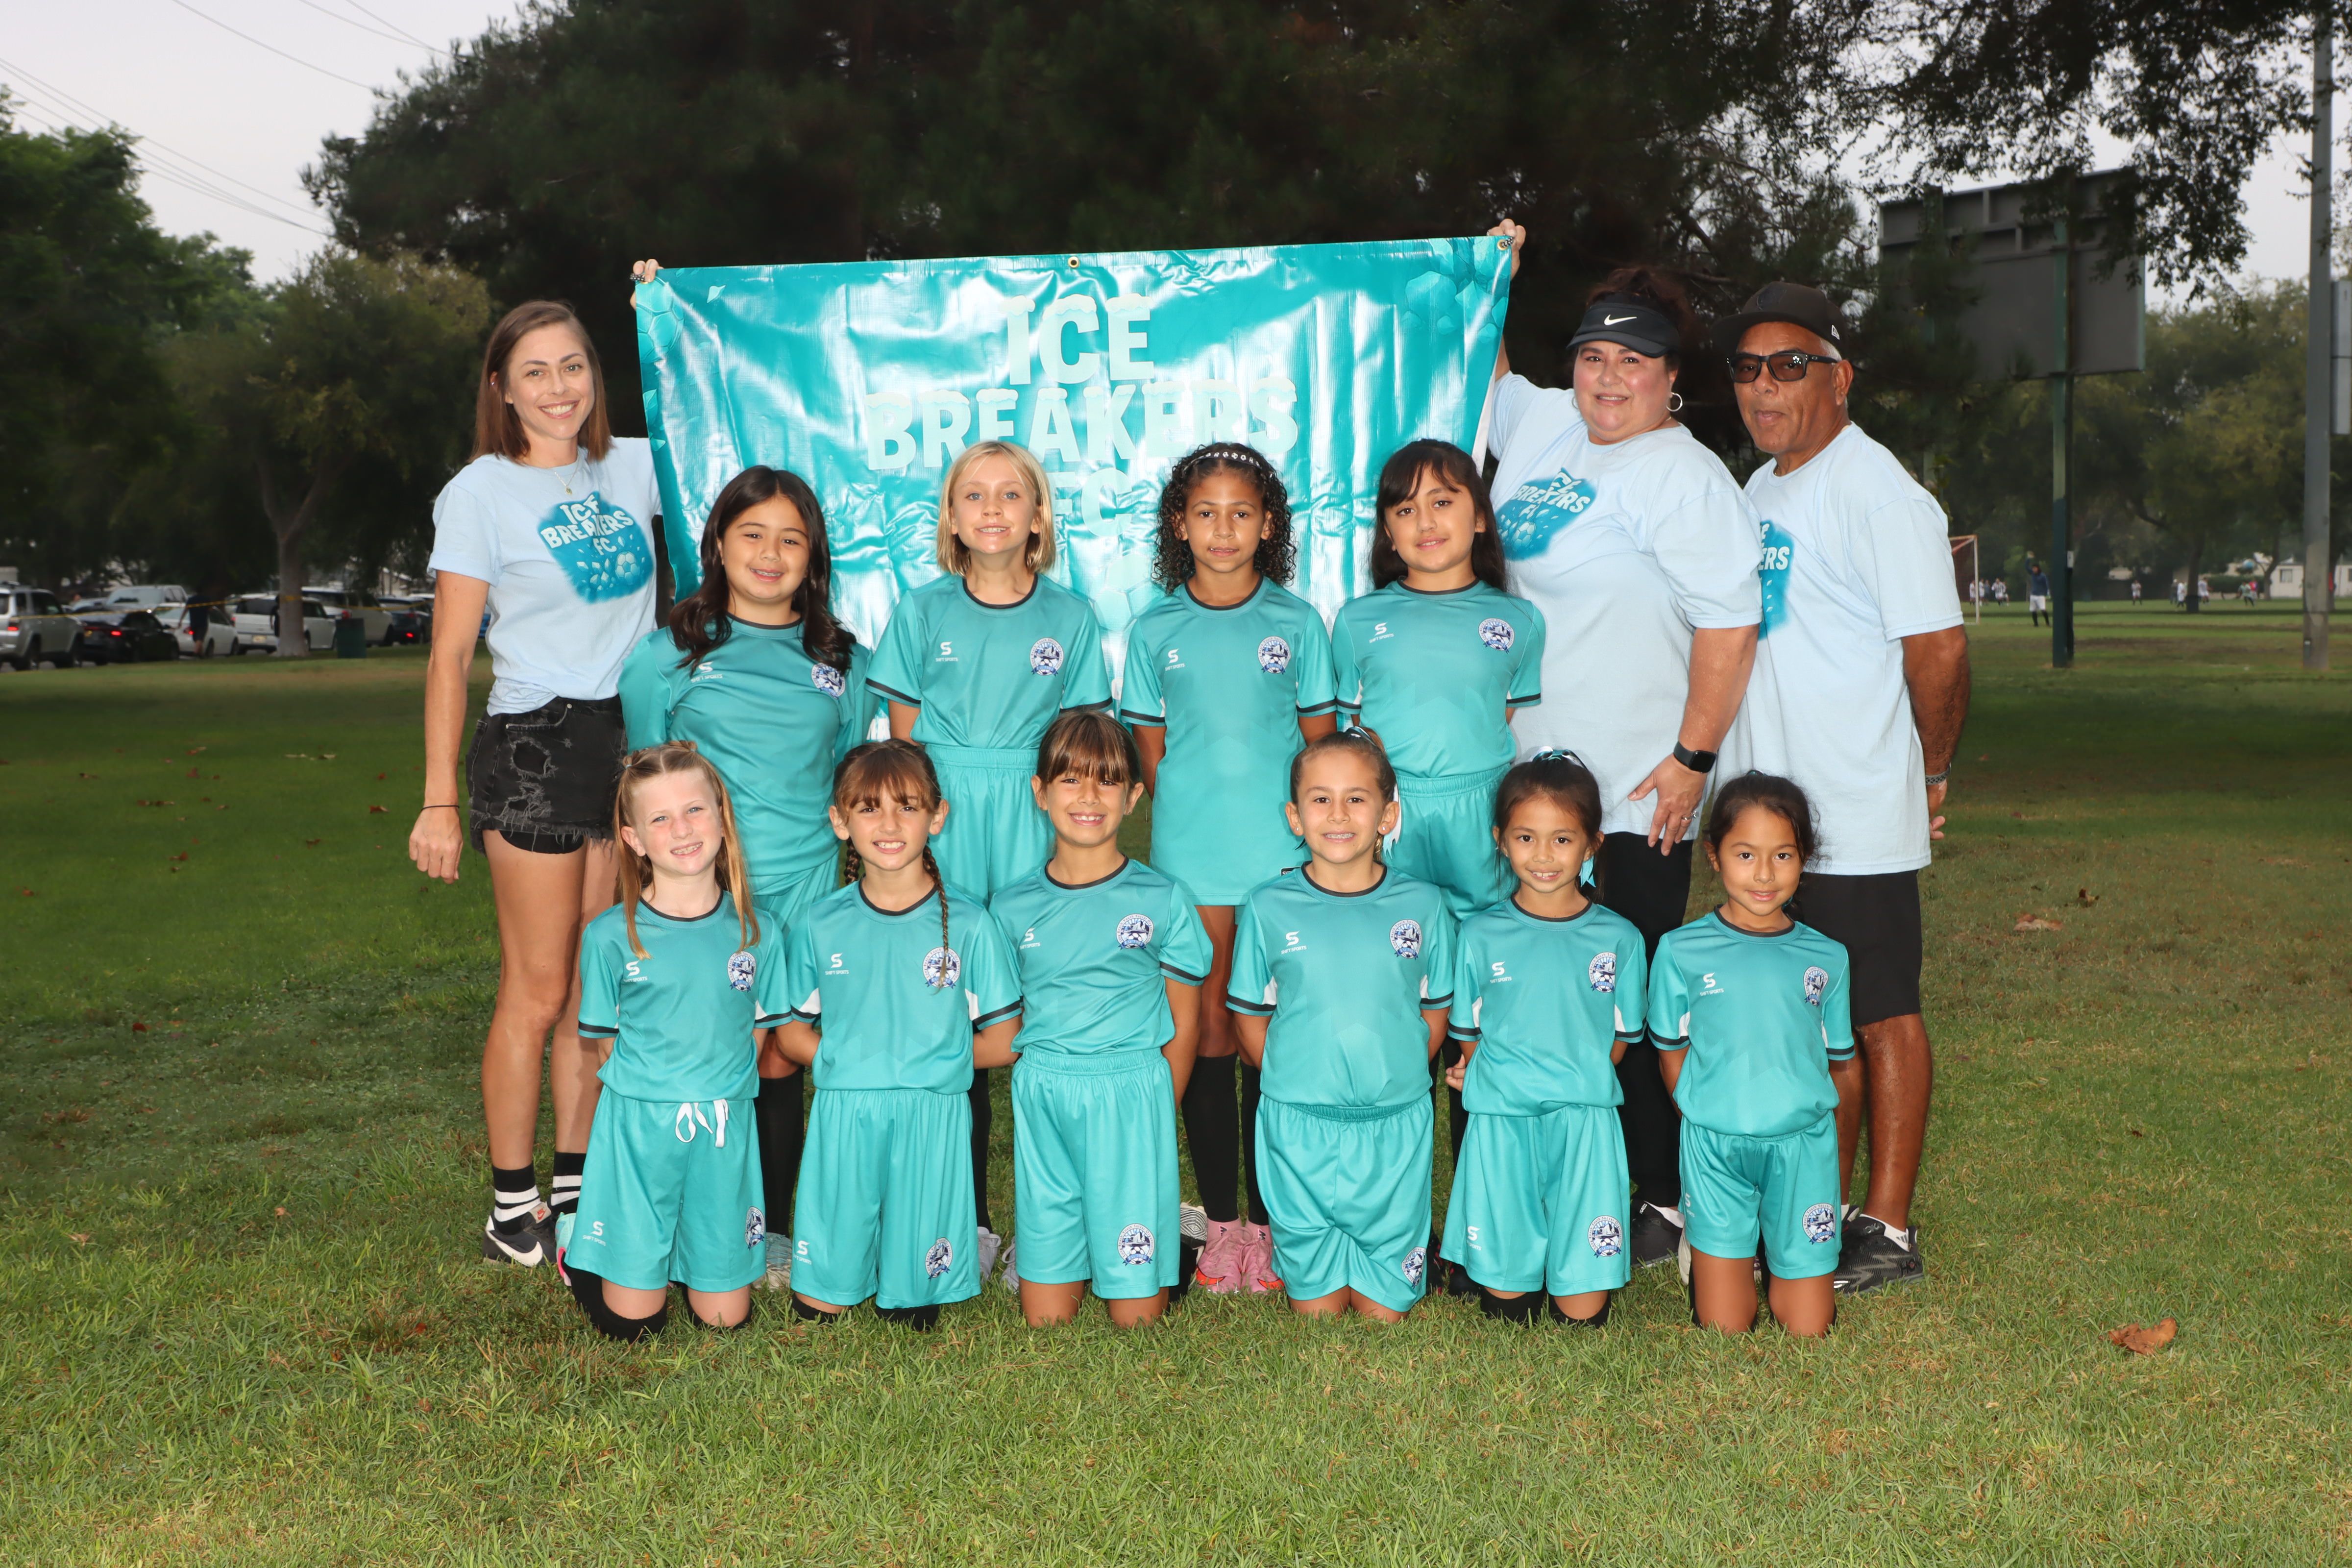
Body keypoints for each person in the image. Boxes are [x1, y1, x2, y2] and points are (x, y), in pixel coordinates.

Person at [1479, 221, 1762, 1270]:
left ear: (1670, 377)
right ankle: (1566, 1173)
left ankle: (1668, 1194)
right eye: (1593, 356)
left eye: (1633, 361)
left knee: (1627, 998)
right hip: (1535, 785)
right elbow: (1485, 370)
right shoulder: (1549, 423)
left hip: (1637, 786)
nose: (1608, 378)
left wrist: (1692, 761)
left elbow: (1731, 627)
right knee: (1542, 989)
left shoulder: (1683, 478)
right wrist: (1493, 275)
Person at [1715, 280, 1969, 1294]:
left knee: (1880, 1012)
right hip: (1770, 815)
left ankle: (1889, 1226)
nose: (1764, 386)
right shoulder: (1758, 490)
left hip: (1854, 805)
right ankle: (1816, 1205)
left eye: (1790, 365)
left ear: (1839, 377)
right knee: (1808, 1016)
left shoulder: (1879, 492)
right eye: (1747, 368)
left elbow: (1939, 650)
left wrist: (1931, 769)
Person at [409, 298, 660, 1267]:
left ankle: (576, 1187)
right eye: (536, 373)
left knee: (598, 984)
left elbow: (717, 405)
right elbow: (448, 655)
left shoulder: (634, 465)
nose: (560, 389)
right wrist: (439, 799)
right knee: (540, 986)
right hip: (535, 746)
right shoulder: (480, 493)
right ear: (502, 390)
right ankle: (513, 1215)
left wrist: (662, 306)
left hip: (629, 745)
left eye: (574, 366)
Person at [617, 465, 878, 1290]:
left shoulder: (845, 663)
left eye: (791, 539)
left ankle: (774, 1235)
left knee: (779, 1059)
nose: (771, 554)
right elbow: (646, 789)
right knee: (707, 1055)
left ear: (814, 556)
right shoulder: (666, 658)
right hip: (706, 894)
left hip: (806, 891)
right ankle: (683, 1224)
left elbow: (847, 782)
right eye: (753, 535)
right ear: (719, 546)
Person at [868, 440, 1111, 1280]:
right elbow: (904, 753)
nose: (994, 509)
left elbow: (1083, 747)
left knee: (1044, 1020)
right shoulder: (922, 612)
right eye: (975, 495)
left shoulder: (1071, 618)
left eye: (1013, 494)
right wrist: (917, 831)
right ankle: (961, 1218)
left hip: (1035, 817)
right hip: (947, 820)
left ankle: (1052, 1225)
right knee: (952, 1012)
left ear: (1039, 516)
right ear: (951, 516)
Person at [1120, 442, 1337, 1297]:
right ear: (1179, 525)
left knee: (1270, 1029)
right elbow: (1154, 753)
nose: (1223, 529)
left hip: (1281, 860)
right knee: (1209, 1028)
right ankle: (1221, 1224)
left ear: (1269, 524)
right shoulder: (1155, 630)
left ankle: (1274, 1222)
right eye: (1205, 513)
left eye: (1241, 513)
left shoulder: (1299, 624)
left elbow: (1320, 753)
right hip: (1194, 857)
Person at [775, 740, 1024, 1329]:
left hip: (931, 1117)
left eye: (907, 806)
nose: (889, 824)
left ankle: (913, 1270)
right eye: (869, 808)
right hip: (846, 1113)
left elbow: (1007, 1038)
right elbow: (789, 1032)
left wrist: (934, 1065)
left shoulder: (970, 923)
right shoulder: (820, 921)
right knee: (820, 1307)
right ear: (840, 821)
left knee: (911, 1311)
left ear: (938, 816)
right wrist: (846, 1063)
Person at [1227, 731, 1457, 1321]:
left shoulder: (1425, 906)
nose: (1338, 814)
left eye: (1356, 798)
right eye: (1320, 799)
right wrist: (1292, 1080)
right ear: (1294, 816)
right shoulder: (1267, 906)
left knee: (1384, 1312)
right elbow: (1250, 1018)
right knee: (1318, 1312)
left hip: (1393, 1124)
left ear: (1388, 815)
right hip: (1300, 1125)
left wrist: (1400, 1072)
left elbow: (1434, 1010)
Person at [990, 712, 1210, 1326]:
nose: (1089, 796)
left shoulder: (1162, 898)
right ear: (1039, 791)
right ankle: (1065, 1240)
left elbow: (1185, 1022)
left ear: (1133, 797)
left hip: (1131, 1088)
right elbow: (1005, 1021)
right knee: (1046, 1320)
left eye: (1107, 781)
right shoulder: (1010, 906)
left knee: (1135, 1319)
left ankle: (1167, 1231)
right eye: (1070, 779)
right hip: (1045, 1090)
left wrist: (1158, 1106)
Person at [564, 742, 788, 1340]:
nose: (682, 829)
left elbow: (759, 1035)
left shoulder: (760, 931)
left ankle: (690, 1248)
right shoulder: (611, 936)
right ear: (634, 839)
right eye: (660, 818)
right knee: (635, 1327)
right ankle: (581, 1244)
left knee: (725, 1319)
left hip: (723, 1129)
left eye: (694, 810)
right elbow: (606, 1047)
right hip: (641, 1131)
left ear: (722, 817)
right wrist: (664, 1092)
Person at [1649, 773, 1860, 1337]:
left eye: (1782, 855)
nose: (1764, 874)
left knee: (1810, 1327)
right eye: (1746, 854)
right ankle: (1712, 1244)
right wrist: (1701, 1113)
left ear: (1804, 858)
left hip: (1803, 1147)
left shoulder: (1828, 957)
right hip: (1716, 1146)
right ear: (1714, 856)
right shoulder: (1680, 950)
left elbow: (1839, 1061)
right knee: (1725, 1325)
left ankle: (1783, 1251)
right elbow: (1671, 1050)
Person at [1441, 752, 1646, 1327]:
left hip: (1584, 1121)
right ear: (1501, 841)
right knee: (1510, 1309)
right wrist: (1492, 1074)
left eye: (1562, 839)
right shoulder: (1479, 934)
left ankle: (1575, 1257)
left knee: (1581, 1313)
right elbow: (1470, 1031)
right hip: (1502, 1121)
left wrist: (1576, 1077)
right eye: (1526, 837)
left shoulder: (1620, 939)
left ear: (1592, 844)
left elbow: (1621, 1036)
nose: (1544, 855)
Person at [1330, 440, 1546, 919]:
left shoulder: (1521, 620)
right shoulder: (1356, 621)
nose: (1425, 522)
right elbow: (1356, 728)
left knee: (1486, 931)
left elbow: (1497, 712)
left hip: (1481, 807)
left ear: (1480, 516)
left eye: (1442, 502)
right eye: (1406, 510)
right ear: (1389, 532)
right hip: (1393, 808)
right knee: (1394, 932)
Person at [2028, 561, 2051, 627]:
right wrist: (2028, 559)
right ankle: (2036, 624)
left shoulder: (2043, 576)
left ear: (2038, 569)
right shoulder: (2033, 575)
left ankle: (2048, 623)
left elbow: (2046, 585)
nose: (2034, 570)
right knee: (2034, 610)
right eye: (2033, 569)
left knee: (2043, 609)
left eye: (2035, 568)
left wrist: (2047, 594)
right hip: (2033, 595)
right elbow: (2027, 567)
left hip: (2040, 596)